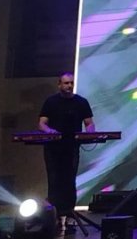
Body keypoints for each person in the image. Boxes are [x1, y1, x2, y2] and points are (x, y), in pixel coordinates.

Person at [38, 72, 95, 225]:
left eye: (71, 83)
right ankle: (55, 216)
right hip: (53, 148)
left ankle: (70, 215)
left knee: (70, 180)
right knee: (54, 180)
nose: (69, 86)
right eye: (66, 83)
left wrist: (90, 133)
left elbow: (89, 123)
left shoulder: (81, 102)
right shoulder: (51, 102)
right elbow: (42, 123)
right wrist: (49, 131)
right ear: (59, 85)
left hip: (71, 147)